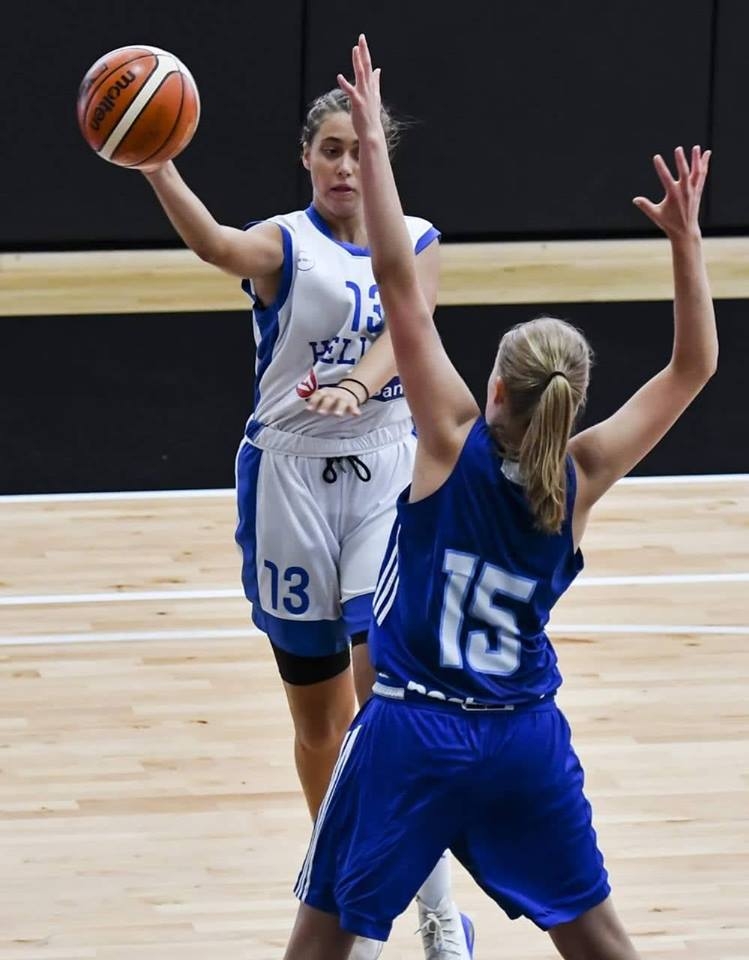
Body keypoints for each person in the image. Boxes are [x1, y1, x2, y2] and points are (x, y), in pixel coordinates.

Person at [283, 35, 717, 960]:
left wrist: (374, 142)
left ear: (494, 391)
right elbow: (692, 367)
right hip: (521, 738)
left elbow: (396, 279)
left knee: (318, 947)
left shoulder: (446, 438)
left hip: (410, 731)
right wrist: (687, 244)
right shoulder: (583, 473)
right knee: (599, 943)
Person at [135, 76, 468, 959]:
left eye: (360, 150)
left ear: (381, 159)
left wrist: (357, 384)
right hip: (287, 481)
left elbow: (407, 328)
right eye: (331, 150)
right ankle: (352, 887)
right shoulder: (285, 244)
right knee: (318, 727)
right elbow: (214, 245)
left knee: (386, 700)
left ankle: (437, 910)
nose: (345, 166)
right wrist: (157, 165)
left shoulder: (419, 240)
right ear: (307, 159)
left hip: (383, 477)